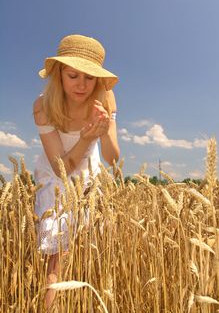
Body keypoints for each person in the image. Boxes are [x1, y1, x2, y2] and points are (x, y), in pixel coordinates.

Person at [33, 34, 120, 309]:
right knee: (58, 254)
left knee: (92, 249)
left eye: (90, 78)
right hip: (56, 174)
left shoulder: (105, 98)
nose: (82, 85)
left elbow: (112, 159)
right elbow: (62, 168)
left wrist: (104, 131)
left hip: (90, 175)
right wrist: (85, 138)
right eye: (73, 76)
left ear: (99, 80)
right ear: (59, 74)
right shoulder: (43, 106)